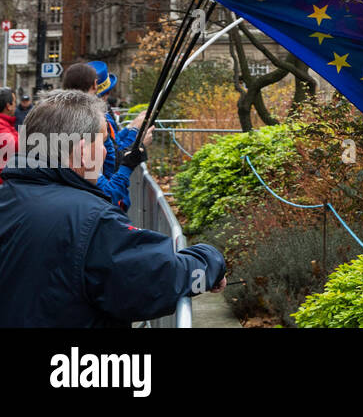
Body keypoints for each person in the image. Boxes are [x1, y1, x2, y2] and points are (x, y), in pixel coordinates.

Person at [0, 89, 226, 327]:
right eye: (103, 142)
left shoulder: (10, 196)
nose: (107, 151)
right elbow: (158, 280)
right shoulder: (92, 220)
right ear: (83, 152)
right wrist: (210, 261)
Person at [61, 62, 152, 211]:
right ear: (95, 85)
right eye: (102, 140)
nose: (104, 149)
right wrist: (128, 163)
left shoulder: (64, 116)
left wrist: (130, 129)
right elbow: (109, 192)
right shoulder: (88, 121)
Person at [0, 89, 18, 182]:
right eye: (14, 102)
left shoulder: (6, 124)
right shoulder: (1, 126)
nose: (16, 105)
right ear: (8, 106)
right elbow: (18, 146)